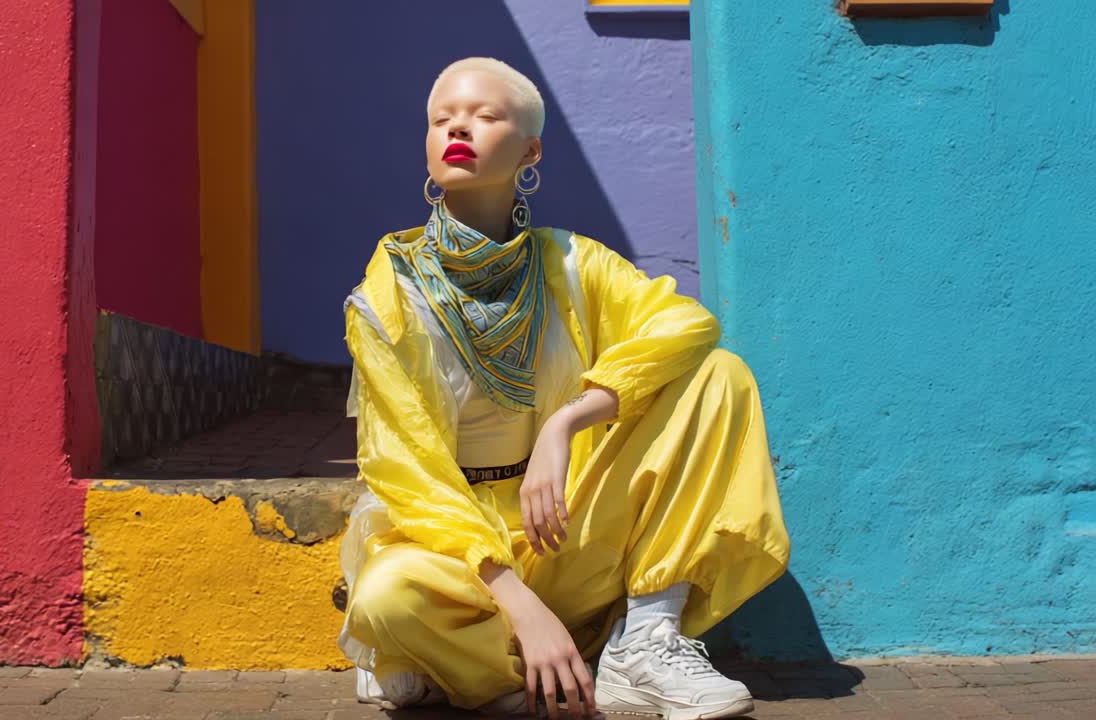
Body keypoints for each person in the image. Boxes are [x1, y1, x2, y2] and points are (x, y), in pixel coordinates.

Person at [335, 56, 789, 720]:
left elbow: (687, 324)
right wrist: (520, 603)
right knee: (387, 597)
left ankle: (643, 645)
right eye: (442, 119)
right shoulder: (386, 299)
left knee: (718, 374)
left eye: (485, 116)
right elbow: (409, 475)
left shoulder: (572, 263)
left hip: (564, 528)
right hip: (457, 558)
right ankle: (511, 671)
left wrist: (567, 421)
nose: (458, 128)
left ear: (531, 151)